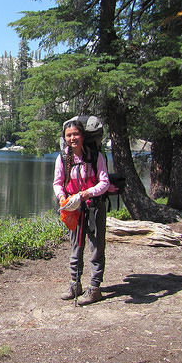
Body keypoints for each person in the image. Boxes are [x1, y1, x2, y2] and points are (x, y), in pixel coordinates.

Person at [53, 119, 110, 305]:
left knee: (96, 246)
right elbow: (57, 183)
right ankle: (75, 283)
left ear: (83, 136)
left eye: (75, 134)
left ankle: (94, 287)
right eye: (68, 135)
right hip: (74, 208)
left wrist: (87, 193)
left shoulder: (96, 157)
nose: (72, 138)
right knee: (76, 246)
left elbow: (104, 182)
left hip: (94, 206)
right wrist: (63, 198)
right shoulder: (62, 158)